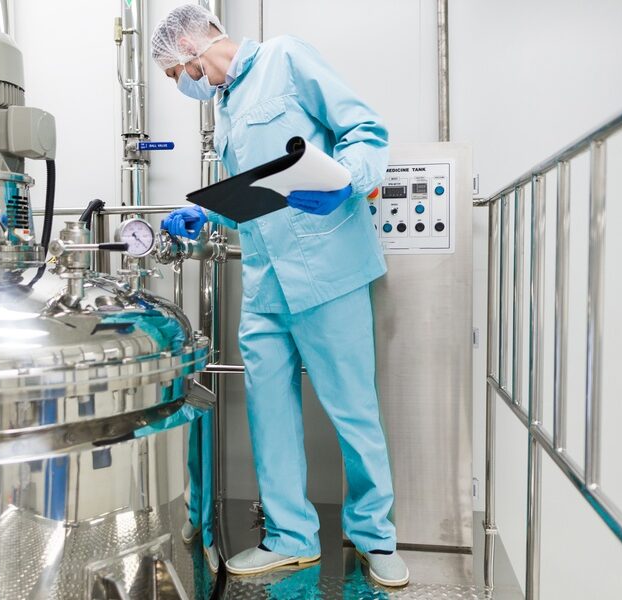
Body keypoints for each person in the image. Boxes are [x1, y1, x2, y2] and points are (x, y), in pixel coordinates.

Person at [150, 5, 408, 588]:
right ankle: (291, 538)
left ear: (192, 47)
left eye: (176, 73)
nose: (184, 84)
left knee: (352, 409)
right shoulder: (226, 106)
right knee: (269, 412)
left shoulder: (285, 58)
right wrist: (204, 210)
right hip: (266, 283)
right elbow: (256, 190)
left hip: (326, 272)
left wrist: (347, 182)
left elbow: (366, 130)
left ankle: (376, 536)